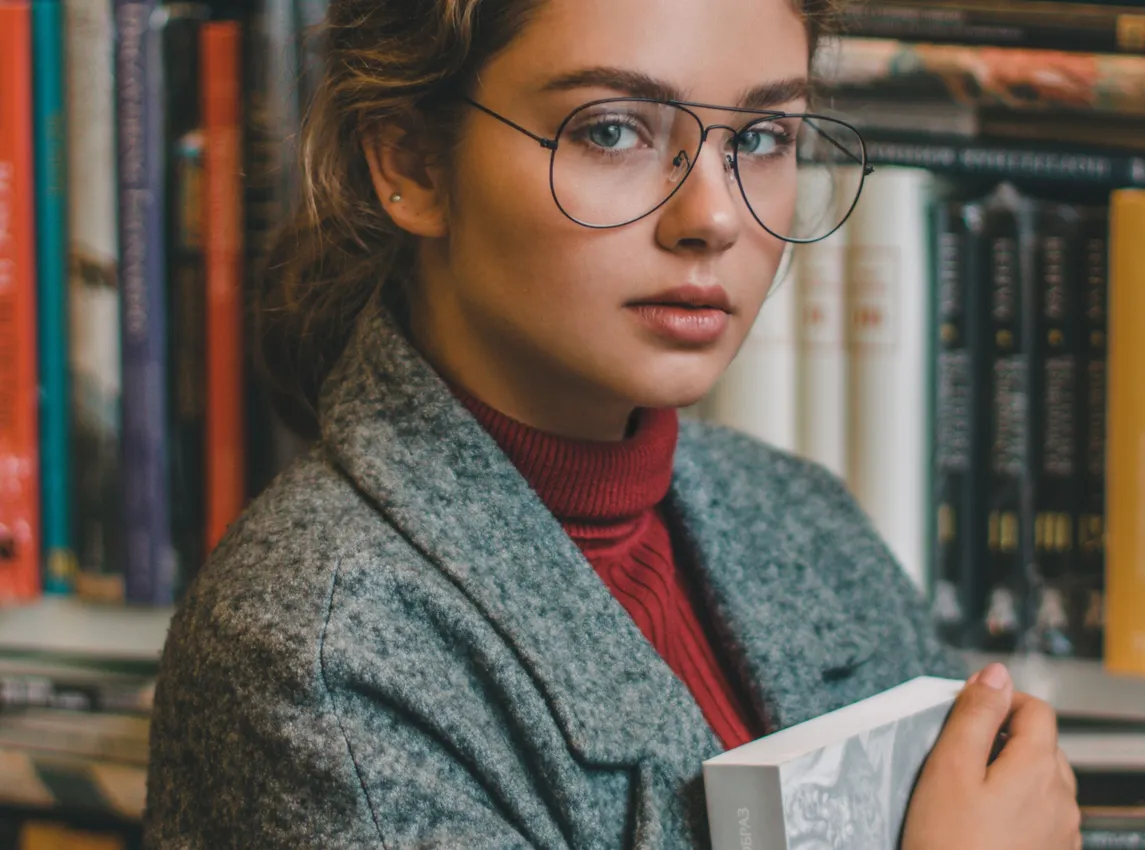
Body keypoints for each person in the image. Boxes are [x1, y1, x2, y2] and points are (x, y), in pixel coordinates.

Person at [143, 0, 1082, 845]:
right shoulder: (314, 654)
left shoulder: (805, 518)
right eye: (613, 130)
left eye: (760, 138)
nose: (713, 217)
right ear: (410, 161)